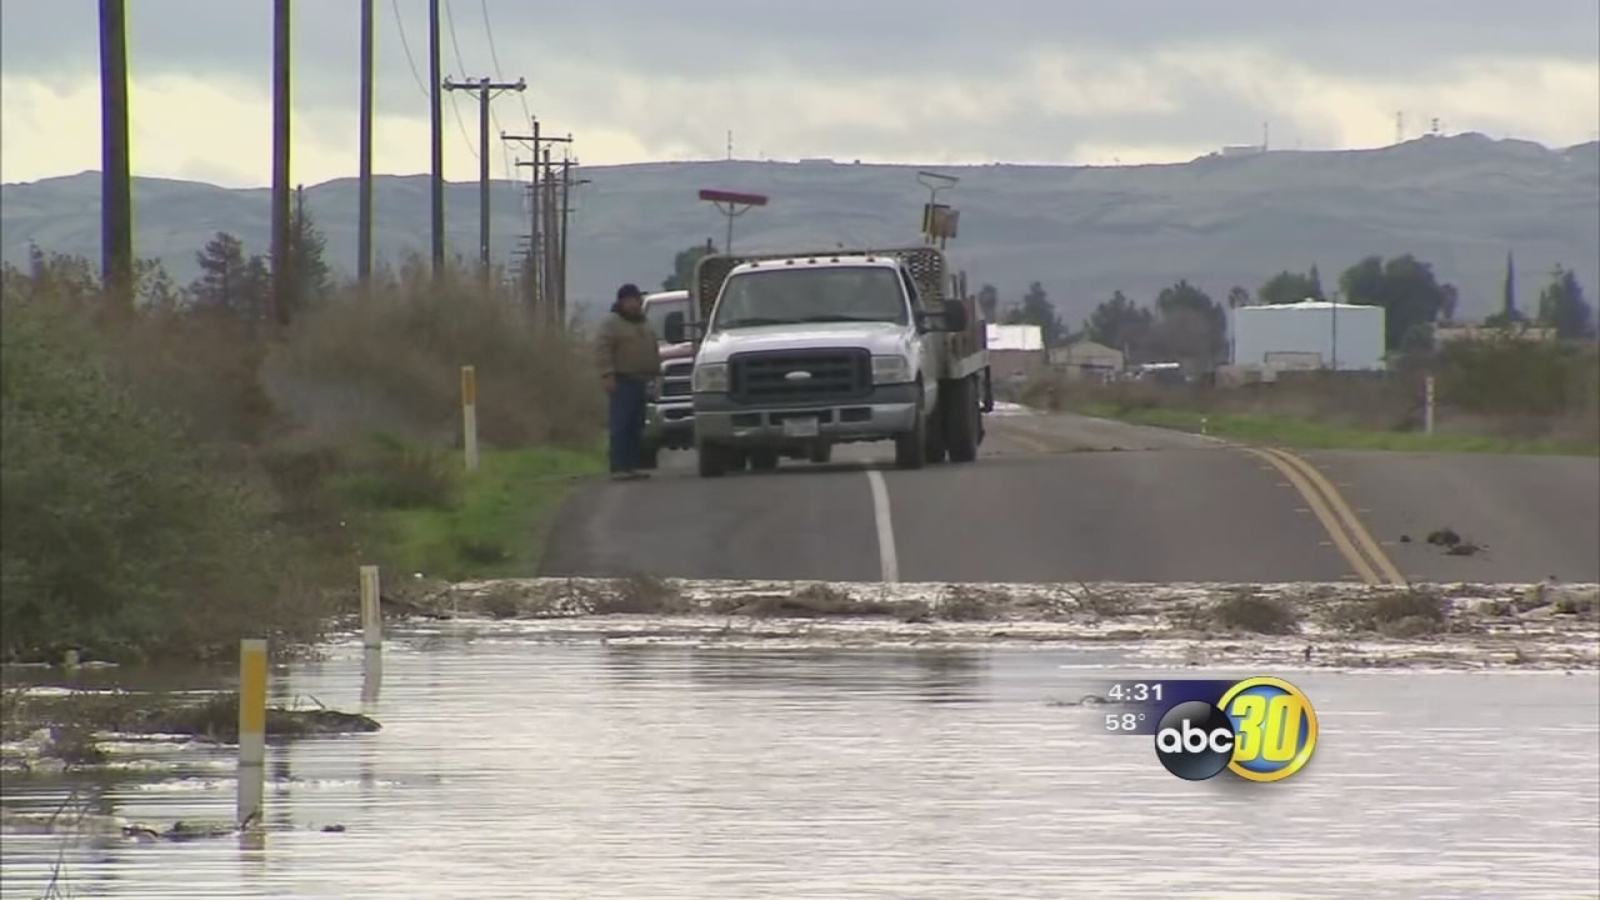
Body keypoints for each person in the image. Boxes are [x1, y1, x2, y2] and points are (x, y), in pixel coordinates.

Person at [594, 283, 661, 480]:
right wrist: (607, 374)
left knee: (636, 425)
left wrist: (656, 375)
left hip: (641, 380)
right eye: (632, 299)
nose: (636, 303)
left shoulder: (643, 323)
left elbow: (653, 349)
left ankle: (632, 466)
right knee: (621, 424)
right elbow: (602, 349)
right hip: (622, 380)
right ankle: (618, 467)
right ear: (622, 301)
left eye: (637, 299)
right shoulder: (611, 323)